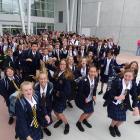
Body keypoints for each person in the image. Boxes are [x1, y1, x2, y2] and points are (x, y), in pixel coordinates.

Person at [106, 69, 139, 137]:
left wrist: (136, 107)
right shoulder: (117, 82)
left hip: (123, 103)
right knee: (115, 118)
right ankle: (111, 127)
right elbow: (110, 93)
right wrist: (117, 97)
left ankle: (116, 127)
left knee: (122, 119)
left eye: (129, 76)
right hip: (114, 102)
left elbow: (134, 95)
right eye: (126, 75)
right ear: (123, 75)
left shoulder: (133, 84)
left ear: (133, 77)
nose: (127, 78)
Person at [53, 59, 73, 134]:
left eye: (64, 64)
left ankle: (66, 124)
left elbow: (68, 91)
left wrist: (59, 93)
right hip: (55, 96)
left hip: (61, 98)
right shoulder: (57, 72)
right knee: (55, 111)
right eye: (61, 64)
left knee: (60, 112)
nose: (62, 65)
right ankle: (60, 120)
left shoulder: (66, 76)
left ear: (66, 66)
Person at [75, 66, 98, 132]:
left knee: (91, 111)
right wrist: (85, 98)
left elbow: (95, 89)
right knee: (86, 112)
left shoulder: (95, 79)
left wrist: (94, 95)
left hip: (90, 99)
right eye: (91, 71)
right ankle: (78, 123)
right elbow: (80, 91)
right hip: (83, 99)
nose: (93, 73)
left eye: (94, 72)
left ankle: (84, 120)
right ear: (89, 72)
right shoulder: (83, 80)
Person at [35, 71, 53, 137]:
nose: (43, 80)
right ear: (38, 79)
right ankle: (39, 129)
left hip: (48, 106)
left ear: (47, 79)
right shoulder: (35, 88)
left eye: (44, 78)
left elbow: (52, 96)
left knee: (47, 119)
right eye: (41, 79)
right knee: (39, 119)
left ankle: (45, 127)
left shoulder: (51, 85)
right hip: (39, 107)